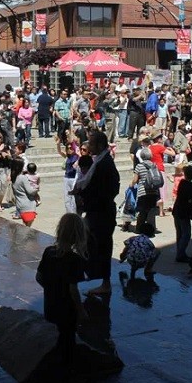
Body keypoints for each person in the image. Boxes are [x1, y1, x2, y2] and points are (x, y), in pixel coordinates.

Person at [36, 214, 88, 362]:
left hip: (50, 303)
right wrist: (81, 309)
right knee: (68, 336)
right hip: (67, 307)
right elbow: (73, 289)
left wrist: (51, 288)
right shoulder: (75, 259)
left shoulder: (49, 252)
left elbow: (39, 277)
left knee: (55, 333)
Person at [75, 131, 120, 296]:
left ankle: (104, 282)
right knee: (94, 244)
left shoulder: (105, 163)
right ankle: (94, 274)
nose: (89, 146)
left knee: (102, 246)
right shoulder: (100, 161)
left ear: (100, 145)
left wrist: (86, 195)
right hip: (98, 211)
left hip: (102, 212)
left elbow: (110, 188)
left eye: (92, 143)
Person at [172, 165, 192, 262]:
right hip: (184, 212)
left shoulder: (182, 183)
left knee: (179, 233)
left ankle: (179, 253)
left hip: (177, 210)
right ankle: (180, 254)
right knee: (186, 234)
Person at [10, 158, 39, 227]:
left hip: (20, 204)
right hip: (28, 205)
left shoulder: (14, 177)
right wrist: (36, 189)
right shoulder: (23, 178)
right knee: (27, 227)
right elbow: (30, 191)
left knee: (25, 225)